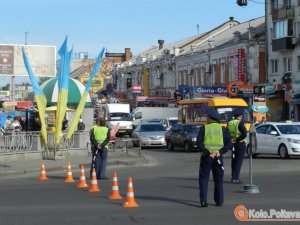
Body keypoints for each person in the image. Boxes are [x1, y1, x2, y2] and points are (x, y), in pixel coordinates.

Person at [196, 107, 231, 207]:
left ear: (211, 118)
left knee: (203, 179)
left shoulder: (204, 128)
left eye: (207, 116)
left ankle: (203, 201)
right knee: (219, 180)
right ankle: (219, 201)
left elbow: (199, 143)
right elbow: (229, 144)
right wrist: (220, 152)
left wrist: (207, 152)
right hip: (218, 158)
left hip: (206, 157)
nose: (206, 118)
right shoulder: (223, 129)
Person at [227, 108, 248, 184]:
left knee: (234, 160)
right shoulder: (240, 123)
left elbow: (227, 134)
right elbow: (244, 134)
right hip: (240, 144)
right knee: (238, 161)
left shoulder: (229, 123)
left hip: (232, 144)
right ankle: (235, 178)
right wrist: (237, 139)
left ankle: (233, 176)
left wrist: (231, 141)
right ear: (240, 116)